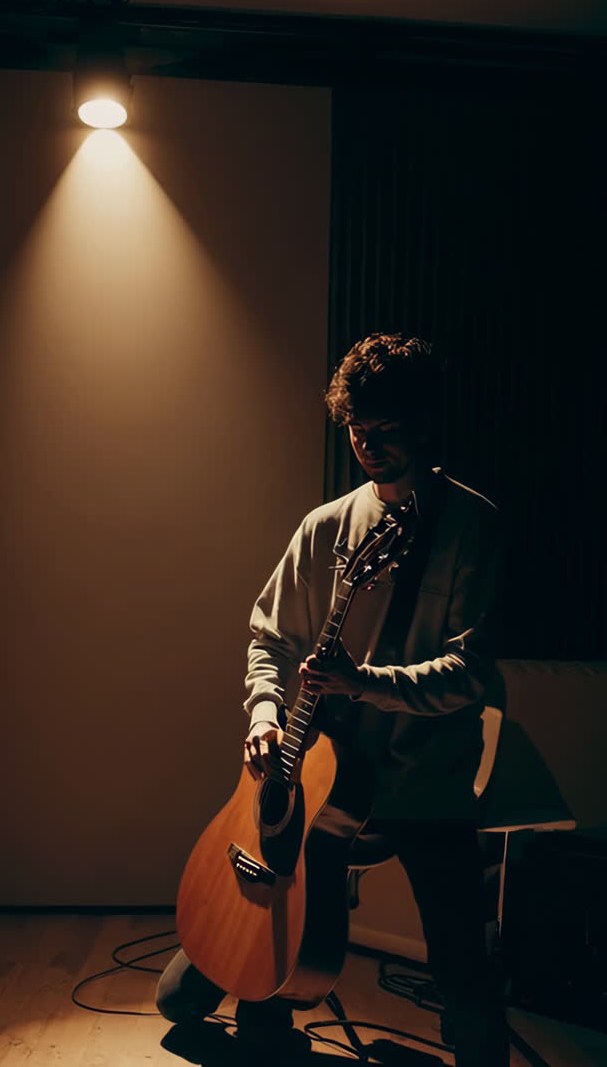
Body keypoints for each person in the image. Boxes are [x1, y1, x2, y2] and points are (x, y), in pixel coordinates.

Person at [157, 333, 510, 1067]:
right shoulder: (324, 527)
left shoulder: (472, 527)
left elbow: (469, 673)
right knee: (176, 1006)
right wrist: (263, 715)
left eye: (383, 427)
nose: (366, 442)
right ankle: (254, 986)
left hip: (423, 785)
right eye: (355, 426)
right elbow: (269, 638)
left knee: (465, 968)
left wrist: (363, 684)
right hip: (313, 775)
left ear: (423, 423)